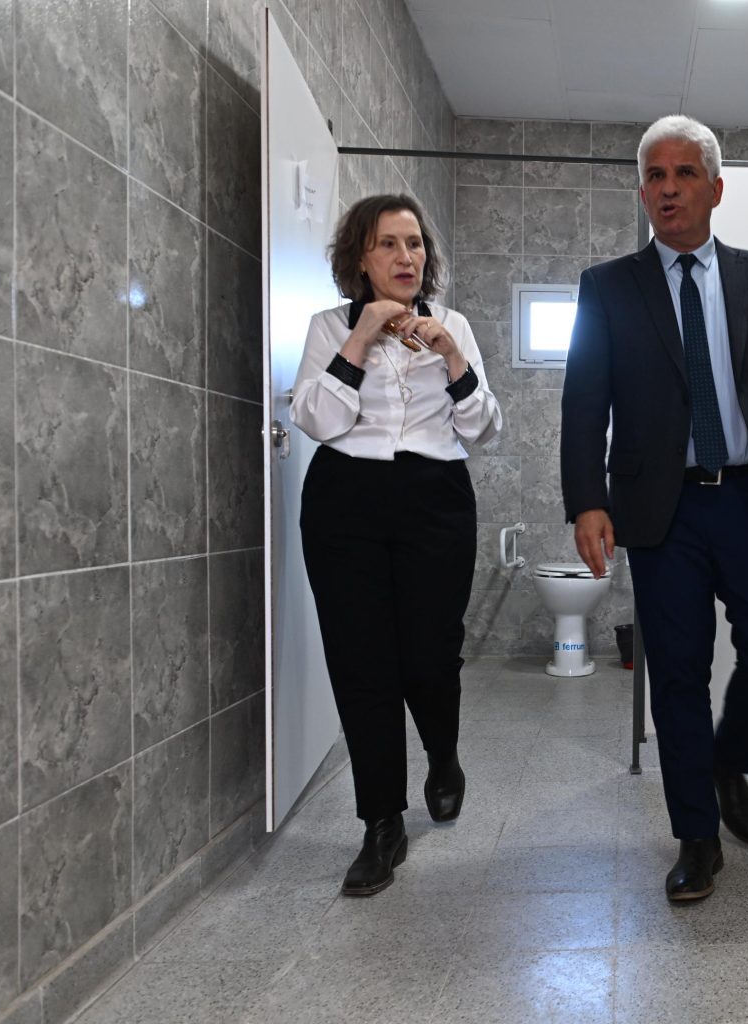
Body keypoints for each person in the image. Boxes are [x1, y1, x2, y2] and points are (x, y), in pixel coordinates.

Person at [560, 116, 748, 902]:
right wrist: (587, 502)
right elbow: (585, 403)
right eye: (654, 175)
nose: (668, 188)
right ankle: (697, 839)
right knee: (677, 673)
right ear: (642, 190)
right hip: (660, 509)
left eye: (684, 174)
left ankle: (726, 762)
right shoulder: (608, 286)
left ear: (716, 187)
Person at [290, 194, 502, 896]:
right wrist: (360, 339)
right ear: (361, 257)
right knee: (361, 663)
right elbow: (319, 420)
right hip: (344, 500)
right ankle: (381, 823)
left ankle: (443, 754)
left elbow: (483, 428)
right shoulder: (328, 327)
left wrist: (449, 355)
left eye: (414, 243)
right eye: (388, 244)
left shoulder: (454, 325)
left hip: (435, 499)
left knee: (431, 656)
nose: (406, 256)